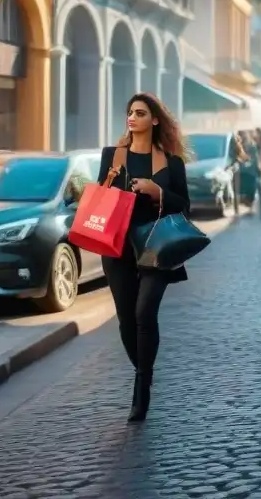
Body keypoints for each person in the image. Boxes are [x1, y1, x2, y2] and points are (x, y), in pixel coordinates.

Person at [96, 92, 191, 423]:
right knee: (125, 319)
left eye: (139, 112)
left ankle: (141, 389)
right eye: (129, 112)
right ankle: (145, 371)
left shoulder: (171, 163)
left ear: (154, 120)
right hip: (118, 245)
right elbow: (100, 194)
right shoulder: (113, 155)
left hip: (156, 244)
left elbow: (183, 205)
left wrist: (157, 191)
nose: (132, 117)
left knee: (144, 312)